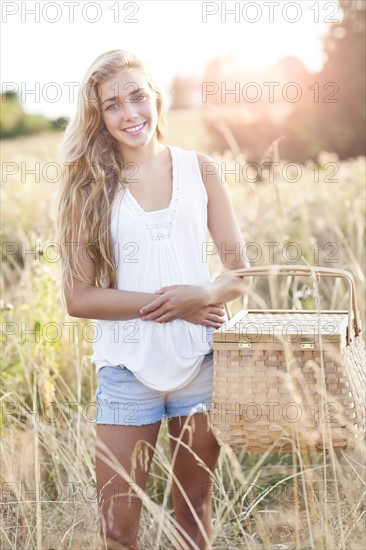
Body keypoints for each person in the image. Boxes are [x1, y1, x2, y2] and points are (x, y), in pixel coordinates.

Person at [56, 49, 251, 550]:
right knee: (119, 530)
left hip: (201, 365)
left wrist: (204, 293)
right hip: (126, 370)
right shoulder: (88, 186)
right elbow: (78, 297)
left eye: (138, 97)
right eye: (113, 105)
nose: (131, 113)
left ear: (157, 99)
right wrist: (175, 303)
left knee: (193, 514)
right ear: (98, 116)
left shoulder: (201, 171)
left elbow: (241, 274)